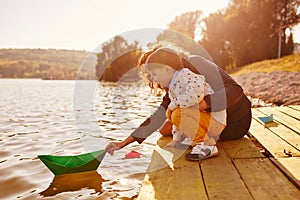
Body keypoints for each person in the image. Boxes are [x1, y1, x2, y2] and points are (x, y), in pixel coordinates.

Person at [105, 46, 252, 162]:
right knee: (165, 129)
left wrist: (198, 106)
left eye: (153, 73)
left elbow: (235, 90)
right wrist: (122, 144)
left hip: (237, 121)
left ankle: (204, 144)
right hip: (214, 124)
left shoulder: (195, 64)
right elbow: (157, 117)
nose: (153, 79)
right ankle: (196, 138)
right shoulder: (174, 85)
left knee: (178, 114)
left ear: (165, 66)